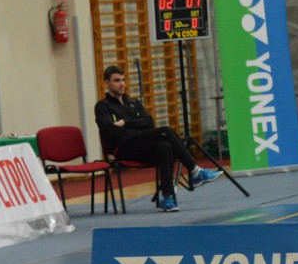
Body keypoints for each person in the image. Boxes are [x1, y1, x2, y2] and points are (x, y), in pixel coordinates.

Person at [94, 65, 222, 212]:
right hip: (123, 149)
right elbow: (110, 132)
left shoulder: (133, 103)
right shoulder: (102, 106)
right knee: (165, 131)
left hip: (142, 146)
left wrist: (125, 123)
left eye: (123, 80)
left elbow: (149, 122)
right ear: (107, 83)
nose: (122, 84)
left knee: (164, 146)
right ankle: (195, 171)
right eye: (117, 81)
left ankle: (167, 197)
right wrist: (136, 128)